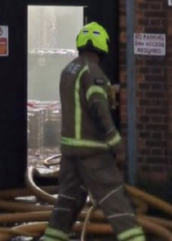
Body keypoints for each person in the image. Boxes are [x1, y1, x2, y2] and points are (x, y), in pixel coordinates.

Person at [44, 22, 145, 241]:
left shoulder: (68, 70)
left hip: (70, 151)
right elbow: (98, 109)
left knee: (67, 201)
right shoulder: (93, 72)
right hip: (92, 151)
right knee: (115, 199)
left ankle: (52, 238)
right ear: (103, 46)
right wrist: (116, 144)